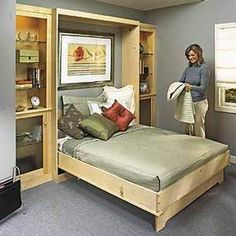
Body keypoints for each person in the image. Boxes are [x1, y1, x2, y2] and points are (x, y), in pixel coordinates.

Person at [179, 44, 210, 138]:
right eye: (189, 56)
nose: (190, 57)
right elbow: (181, 82)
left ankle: (201, 150)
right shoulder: (188, 69)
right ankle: (189, 151)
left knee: (198, 128)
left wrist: (190, 87)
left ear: (199, 54)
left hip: (199, 103)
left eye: (193, 55)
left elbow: (203, 88)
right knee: (187, 128)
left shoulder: (203, 69)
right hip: (188, 102)